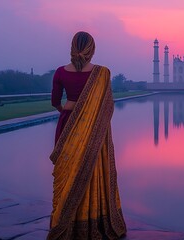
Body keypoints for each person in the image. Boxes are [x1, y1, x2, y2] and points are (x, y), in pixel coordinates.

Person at [48, 31, 127, 239]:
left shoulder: (60, 72)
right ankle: (95, 219)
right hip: (95, 131)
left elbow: (55, 102)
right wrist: (90, 118)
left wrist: (68, 113)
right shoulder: (102, 73)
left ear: (73, 48)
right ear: (92, 49)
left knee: (69, 171)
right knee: (93, 172)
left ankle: (65, 220)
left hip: (67, 125)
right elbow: (108, 107)